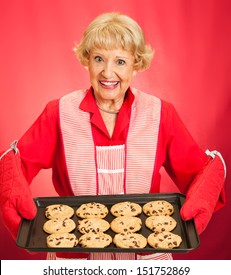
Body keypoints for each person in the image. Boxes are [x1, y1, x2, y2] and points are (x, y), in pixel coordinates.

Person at [0, 12, 226, 260]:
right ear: (87, 60)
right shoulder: (59, 112)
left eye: (120, 61)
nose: (108, 73)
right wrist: (10, 188)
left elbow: (199, 174)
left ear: (136, 64)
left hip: (148, 257)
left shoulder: (161, 114)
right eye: (99, 59)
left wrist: (207, 188)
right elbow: (15, 164)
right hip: (74, 259)